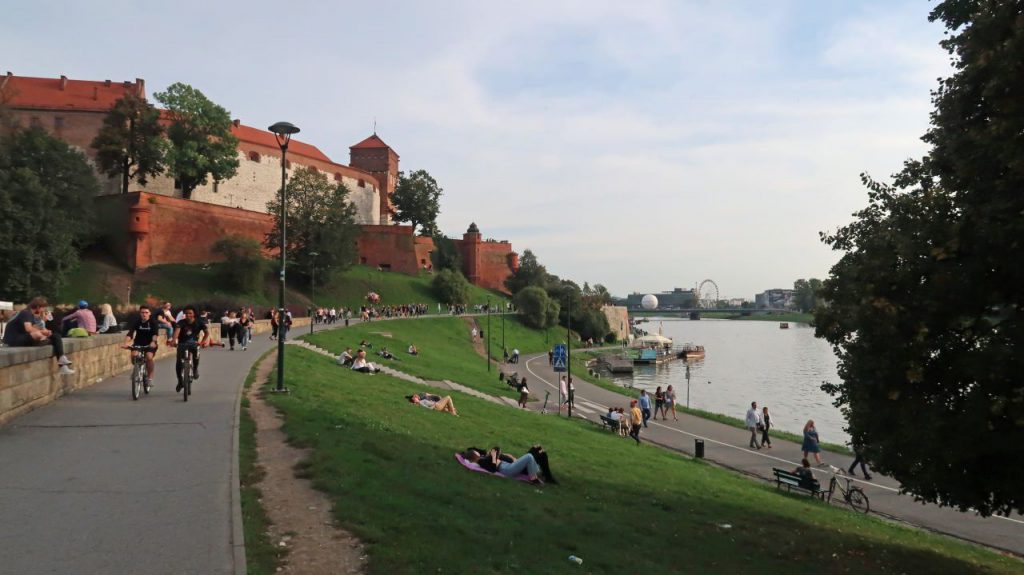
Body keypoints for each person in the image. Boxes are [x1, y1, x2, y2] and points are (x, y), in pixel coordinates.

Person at [3, 297, 74, 374]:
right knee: (39, 335)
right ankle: (61, 360)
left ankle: (62, 361)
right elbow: (28, 329)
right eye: (43, 308)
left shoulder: (30, 315)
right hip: (14, 340)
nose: (44, 310)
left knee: (55, 336)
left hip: (21, 338)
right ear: (38, 307)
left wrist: (45, 332)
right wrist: (42, 332)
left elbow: (34, 328)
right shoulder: (26, 313)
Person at [123, 305, 165, 388]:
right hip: (138, 342)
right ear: (140, 313)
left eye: (146, 312)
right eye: (142, 312)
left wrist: (153, 342)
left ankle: (150, 378)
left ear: (150, 313)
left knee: (149, 357)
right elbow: (130, 333)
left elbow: (155, 334)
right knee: (134, 355)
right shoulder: (137, 321)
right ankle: (136, 369)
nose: (144, 314)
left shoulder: (153, 322)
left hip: (150, 344)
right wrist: (125, 342)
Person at [171, 306, 209, 392]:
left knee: (196, 355)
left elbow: (206, 333)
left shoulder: (199, 322)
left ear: (194, 314)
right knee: (179, 363)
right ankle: (180, 381)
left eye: (190, 313)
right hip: (182, 344)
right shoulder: (181, 322)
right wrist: (174, 340)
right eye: (186, 313)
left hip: (194, 344)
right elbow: (176, 331)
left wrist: (202, 342)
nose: (188, 315)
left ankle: (195, 369)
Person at [469, 447, 544, 485]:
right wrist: (494, 457)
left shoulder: (482, 458)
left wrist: (493, 454)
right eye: (476, 452)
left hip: (507, 465)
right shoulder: (481, 461)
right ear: (474, 455)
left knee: (531, 459)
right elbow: (492, 469)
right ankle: (533, 478)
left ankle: (535, 475)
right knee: (529, 456)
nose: (478, 453)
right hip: (506, 469)